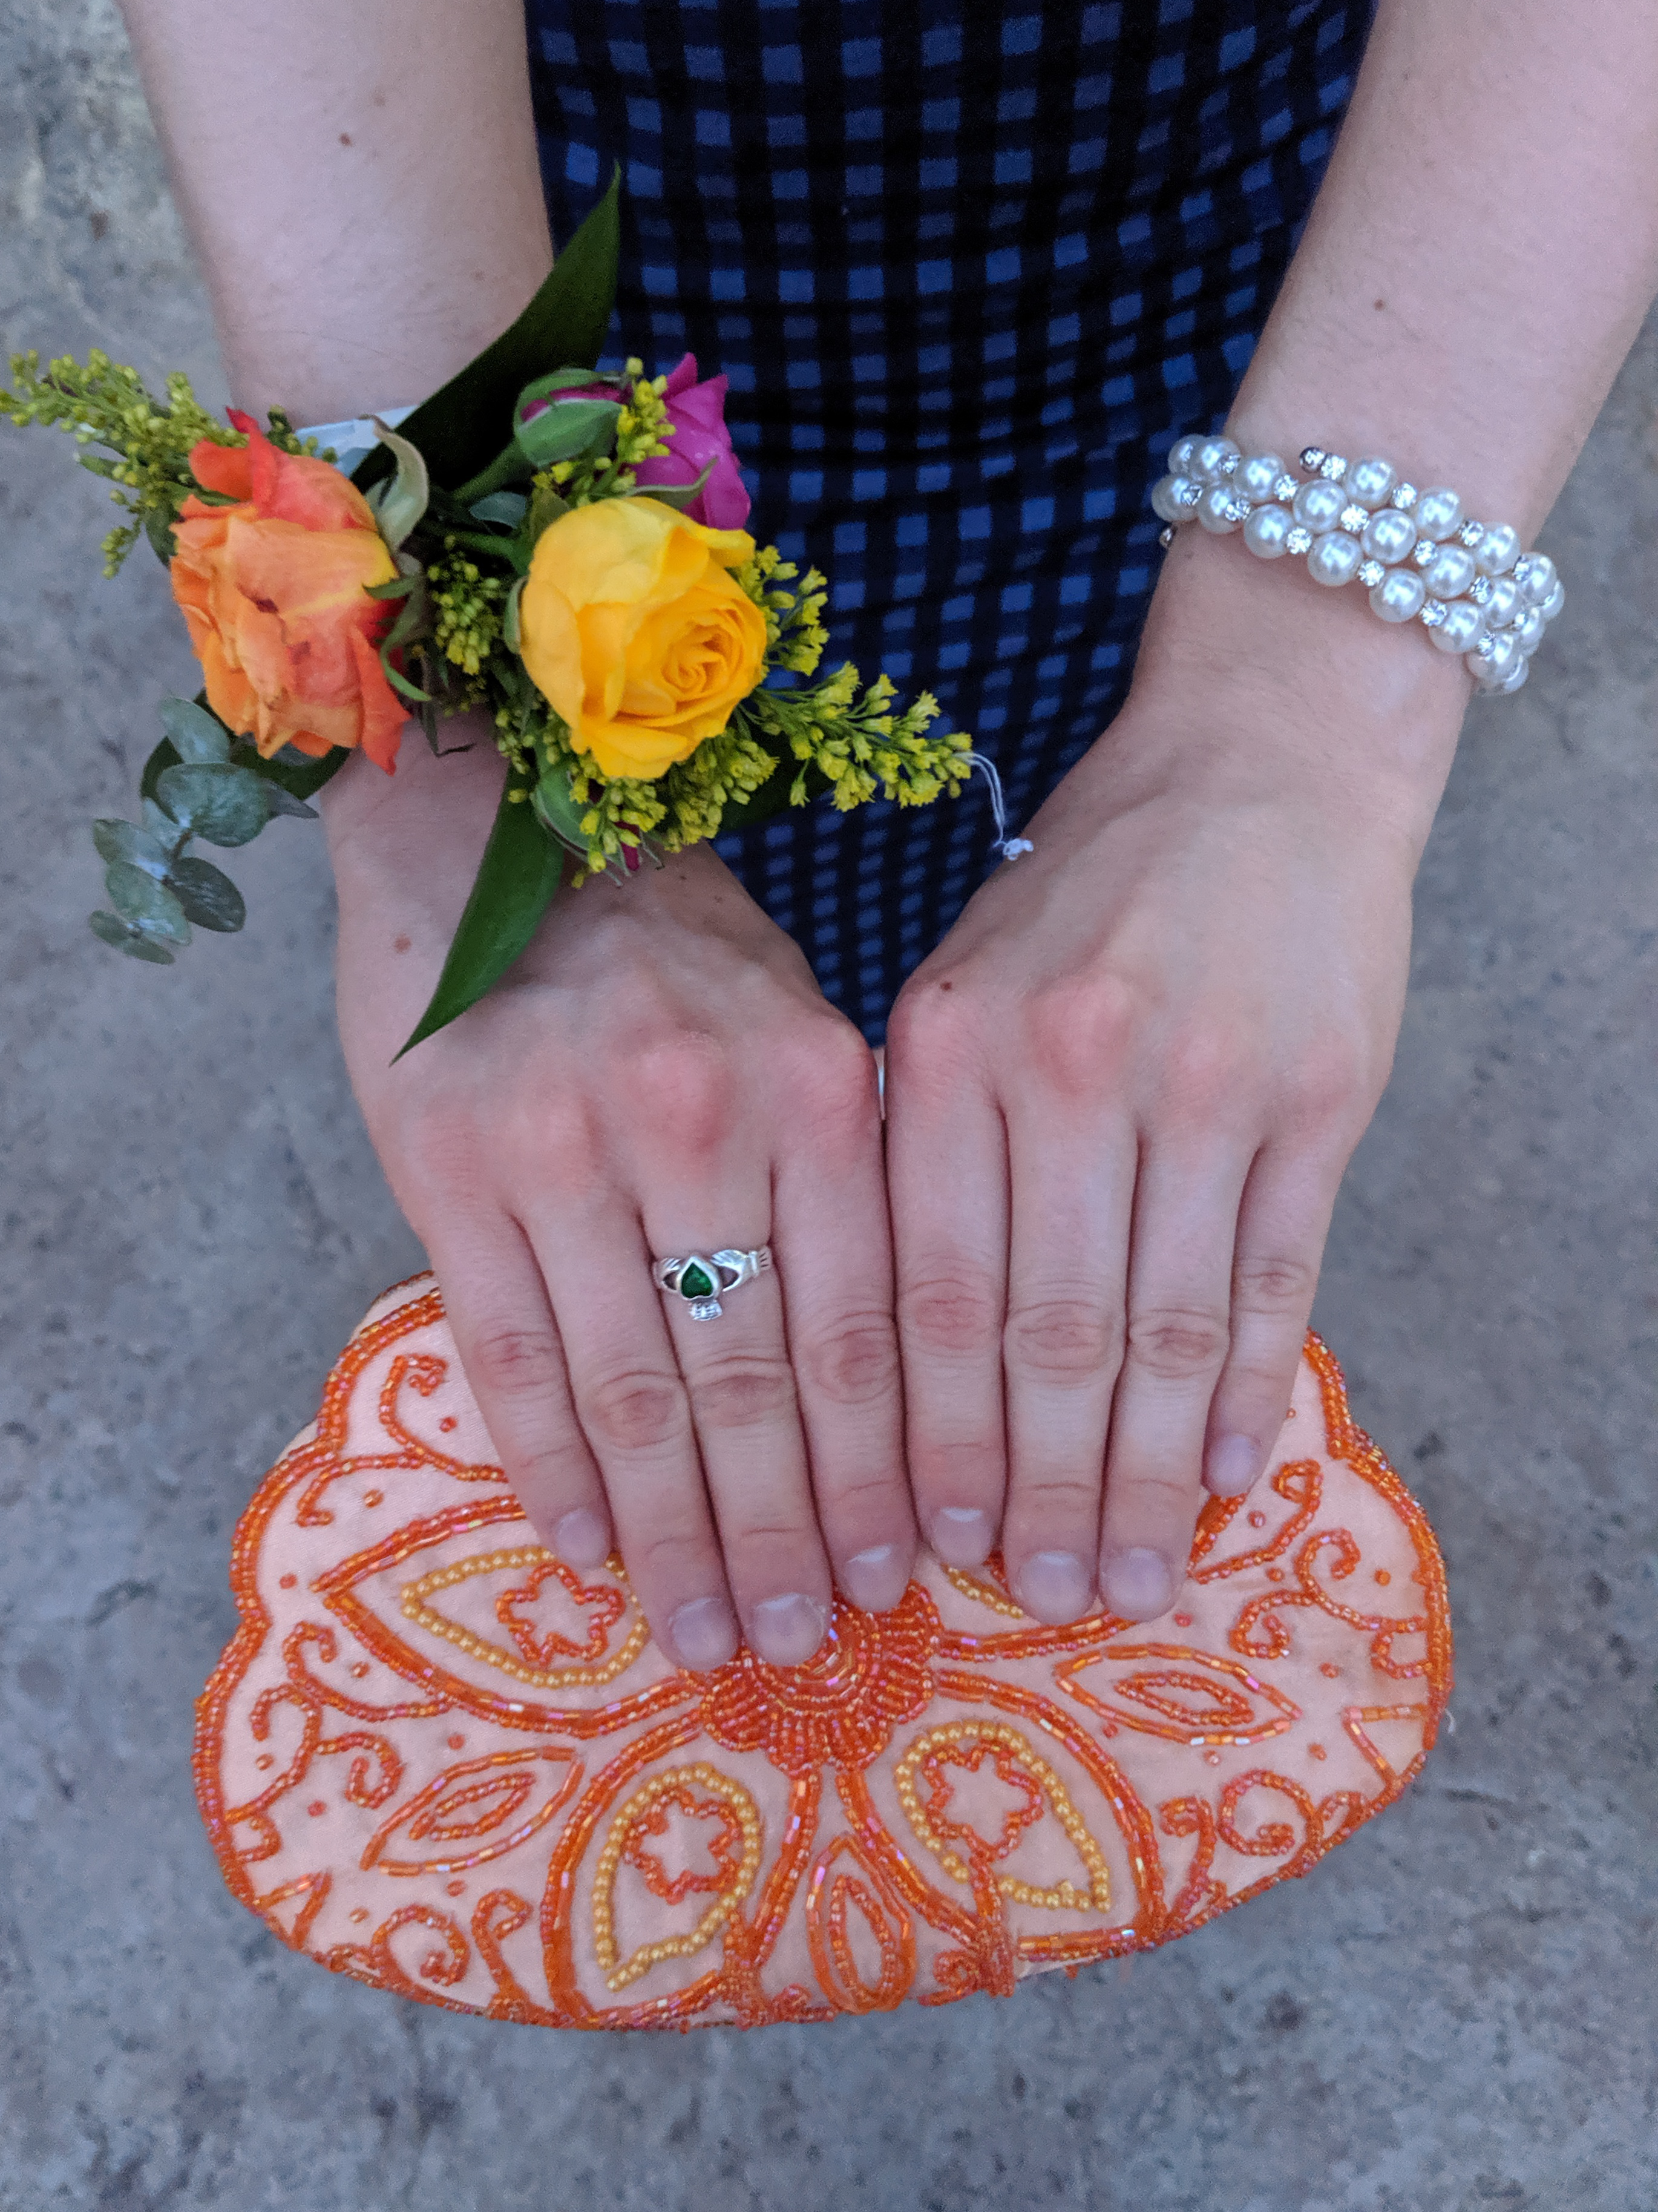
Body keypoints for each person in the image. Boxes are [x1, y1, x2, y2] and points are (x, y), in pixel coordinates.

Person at [117, 0, 1658, 1674]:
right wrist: (448, 711)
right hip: (526, 182)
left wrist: (1293, 707)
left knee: (1059, 839)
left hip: (1288, 239)